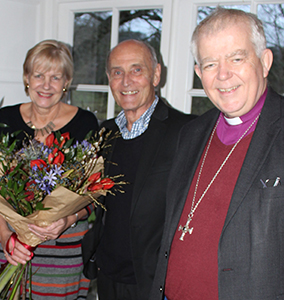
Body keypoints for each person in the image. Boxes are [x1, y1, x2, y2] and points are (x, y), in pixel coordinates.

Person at [150, 7, 284, 300]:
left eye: (237, 58)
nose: (223, 75)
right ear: (198, 73)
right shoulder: (191, 134)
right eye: (210, 64)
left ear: (265, 62)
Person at [81, 39, 195, 300]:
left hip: (155, 282)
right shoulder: (104, 133)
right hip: (108, 276)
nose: (126, 81)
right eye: (117, 72)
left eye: (136, 70)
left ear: (156, 74)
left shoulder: (186, 132)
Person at [0, 39, 99, 299]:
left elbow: (92, 191)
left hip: (64, 250)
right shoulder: (6, 119)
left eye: (55, 77)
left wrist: (66, 219)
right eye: (38, 75)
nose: (46, 85)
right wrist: (6, 237)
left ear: (66, 81)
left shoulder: (84, 122)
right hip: (12, 246)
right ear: (26, 77)